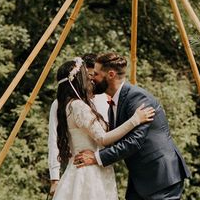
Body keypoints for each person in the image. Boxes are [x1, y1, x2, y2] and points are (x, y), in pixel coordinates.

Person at [74, 52, 190, 200]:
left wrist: (96, 158)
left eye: (96, 74)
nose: (92, 78)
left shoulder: (137, 98)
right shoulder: (114, 104)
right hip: (140, 179)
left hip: (161, 177)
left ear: (110, 74)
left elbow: (133, 142)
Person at [52, 57, 155, 200]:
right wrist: (135, 120)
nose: (92, 80)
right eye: (88, 77)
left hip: (78, 169)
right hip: (90, 172)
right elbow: (103, 138)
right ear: (78, 80)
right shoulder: (78, 106)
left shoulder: (67, 106)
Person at [48, 53, 109, 196]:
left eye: (94, 76)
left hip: (103, 166)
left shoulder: (104, 99)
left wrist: (100, 157)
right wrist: (54, 179)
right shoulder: (60, 104)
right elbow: (54, 138)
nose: (91, 80)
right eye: (88, 75)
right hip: (79, 167)